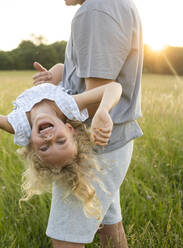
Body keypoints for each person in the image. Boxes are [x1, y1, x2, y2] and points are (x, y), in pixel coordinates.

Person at [32, 0, 143, 247]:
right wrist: (58, 74)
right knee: (109, 226)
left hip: (94, 146)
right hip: (114, 142)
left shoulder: (96, 10)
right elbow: (89, 76)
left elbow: (97, 97)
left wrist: (48, 108)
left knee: (65, 239)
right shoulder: (113, 4)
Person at [0, 81, 122, 221]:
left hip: (43, 84)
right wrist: (104, 109)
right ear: (69, 129)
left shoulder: (17, 124)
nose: (49, 138)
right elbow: (113, 87)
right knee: (59, 69)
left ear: (32, 144)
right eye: (61, 141)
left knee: (54, 72)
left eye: (44, 147)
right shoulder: (67, 105)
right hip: (57, 80)